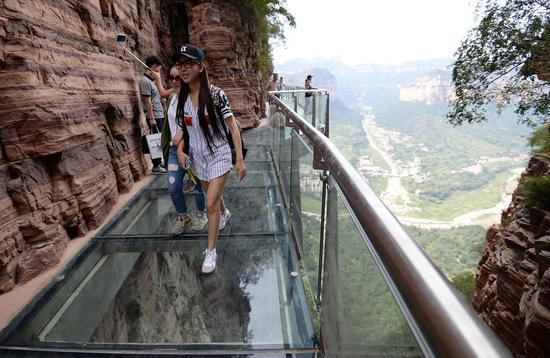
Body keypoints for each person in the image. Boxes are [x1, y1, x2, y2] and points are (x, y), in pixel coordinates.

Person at [173, 44, 246, 273]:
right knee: (212, 195)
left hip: (220, 155)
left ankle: (211, 253)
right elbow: (184, 131)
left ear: (200, 67)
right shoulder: (181, 99)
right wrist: (180, 151)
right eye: (180, 65)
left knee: (210, 203)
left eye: (188, 64)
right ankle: (225, 213)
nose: (183, 69)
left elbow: (233, 128)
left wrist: (239, 160)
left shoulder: (216, 94)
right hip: (199, 159)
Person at [154, 67, 207, 234]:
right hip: (173, 151)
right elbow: (164, 93)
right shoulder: (173, 98)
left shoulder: (193, 99)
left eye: (178, 78)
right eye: (171, 78)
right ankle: (183, 216)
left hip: (192, 150)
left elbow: (198, 122)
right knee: (173, 186)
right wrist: (157, 80)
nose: (175, 81)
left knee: (197, 185)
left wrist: (182, 135)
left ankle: (201, 214)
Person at [139, 56, 167, 174]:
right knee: (155, 140)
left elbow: (155, 97)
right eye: (158, 69)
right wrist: (151, 118)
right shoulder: (145, 81)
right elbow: (147, 101)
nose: (158, 72)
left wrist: (161, 100)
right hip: (154, 116)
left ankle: (158, 162)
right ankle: (156, 165)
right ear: (153, 67)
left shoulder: (152, 81)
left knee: (160, 140)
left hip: (159, 114)